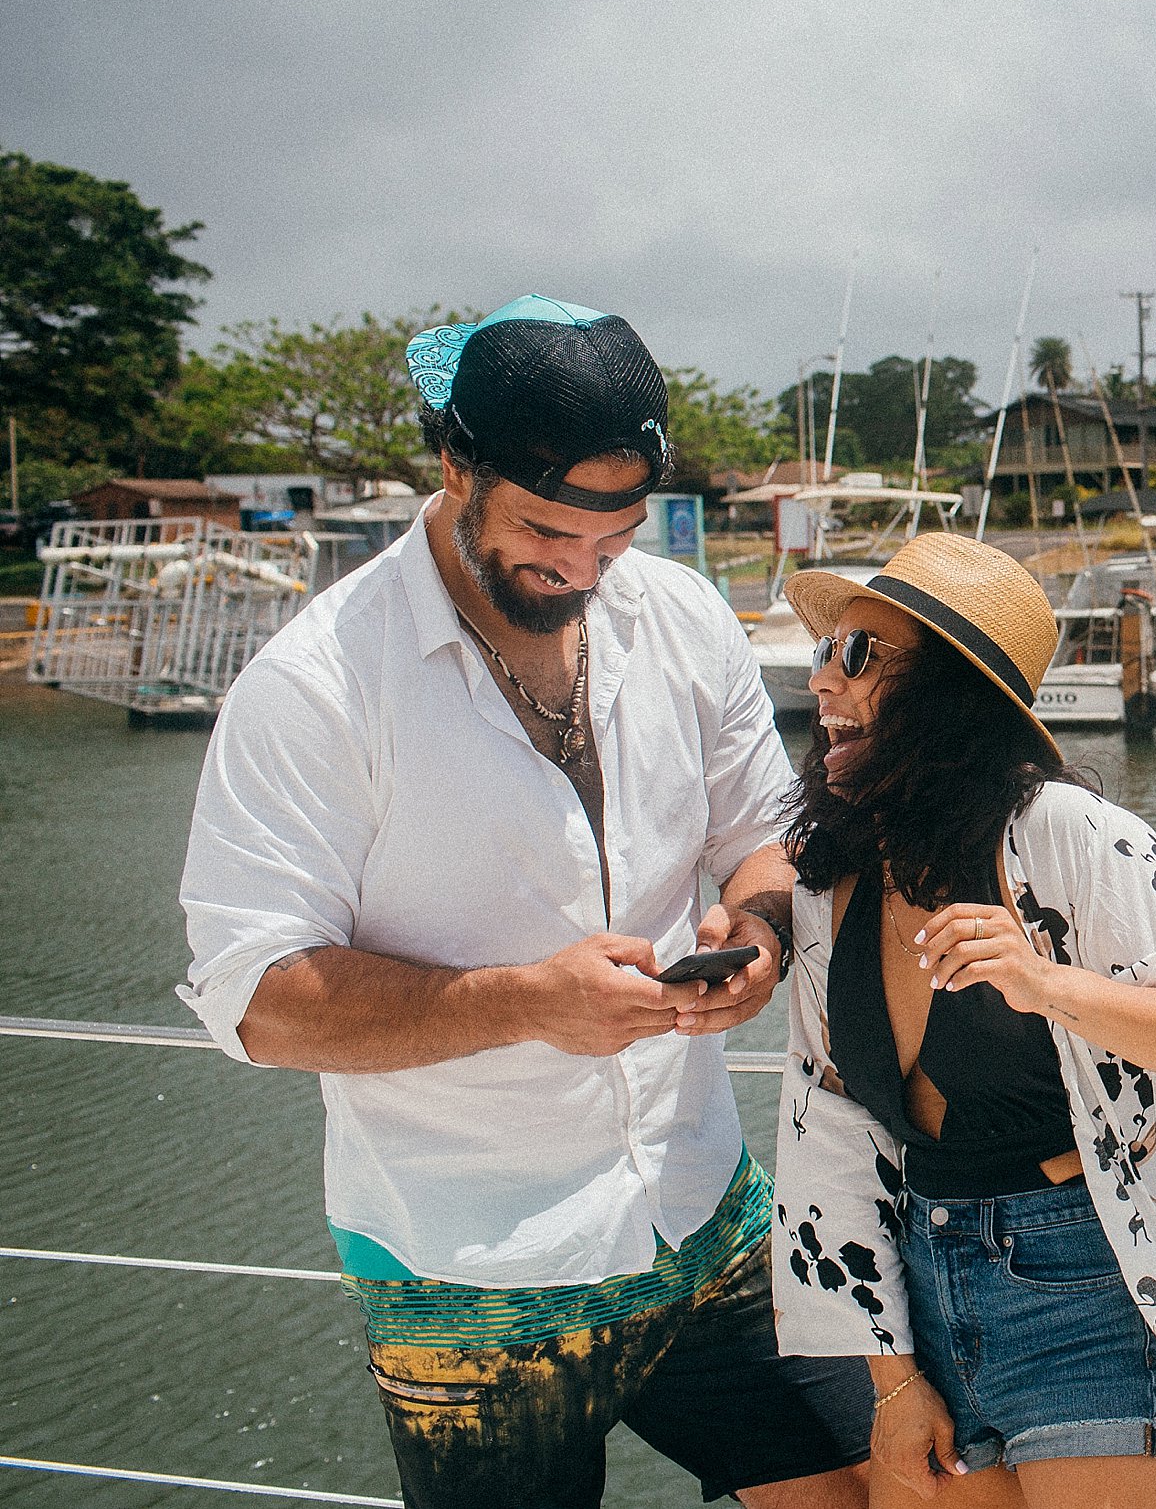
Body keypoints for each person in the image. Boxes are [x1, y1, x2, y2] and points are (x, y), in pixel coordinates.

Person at [178, 294, 872, 1508]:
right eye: (548, 530)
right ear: (456, 467)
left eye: (614, 538)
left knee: (870, 1494)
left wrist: (757, 931)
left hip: (702, 1208)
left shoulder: (684, 616)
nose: (584, 569)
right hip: (467, 1272)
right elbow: (260, 1001)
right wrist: (523, 1003)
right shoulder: (315, 684)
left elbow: (763, 833)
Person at [769, 532, 1156, 1509]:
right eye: (820, 654)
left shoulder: (1068, 836)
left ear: (950, 691)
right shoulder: (832, 878)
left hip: (1083, 1281)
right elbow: (829, 1133)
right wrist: (889, 1378)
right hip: (919, 1278)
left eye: (856, 656)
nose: (822, 684)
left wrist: (1043, 981)